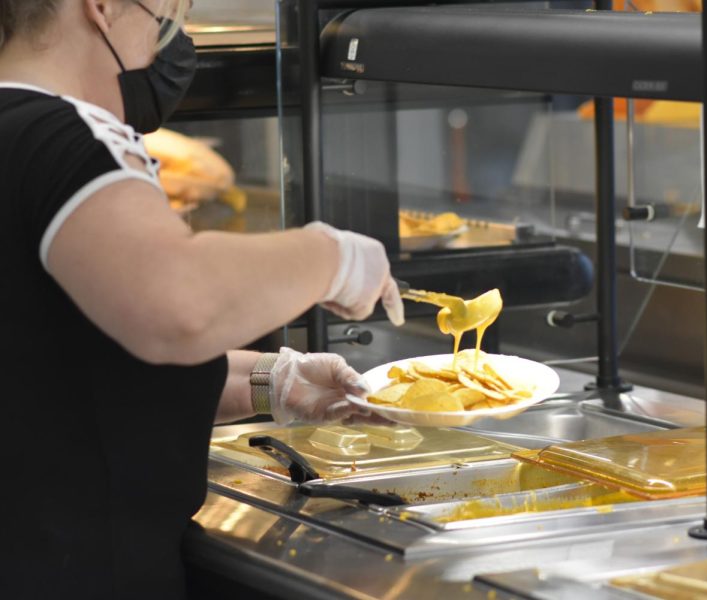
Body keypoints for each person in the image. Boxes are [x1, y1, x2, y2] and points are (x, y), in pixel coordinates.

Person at [0, 0, 404, 597]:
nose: (171, 42)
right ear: (103, 6)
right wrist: (333, 257)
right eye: (168, 14)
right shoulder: (65, 138)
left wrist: (275, 379)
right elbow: (178, 305)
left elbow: (63, 362)